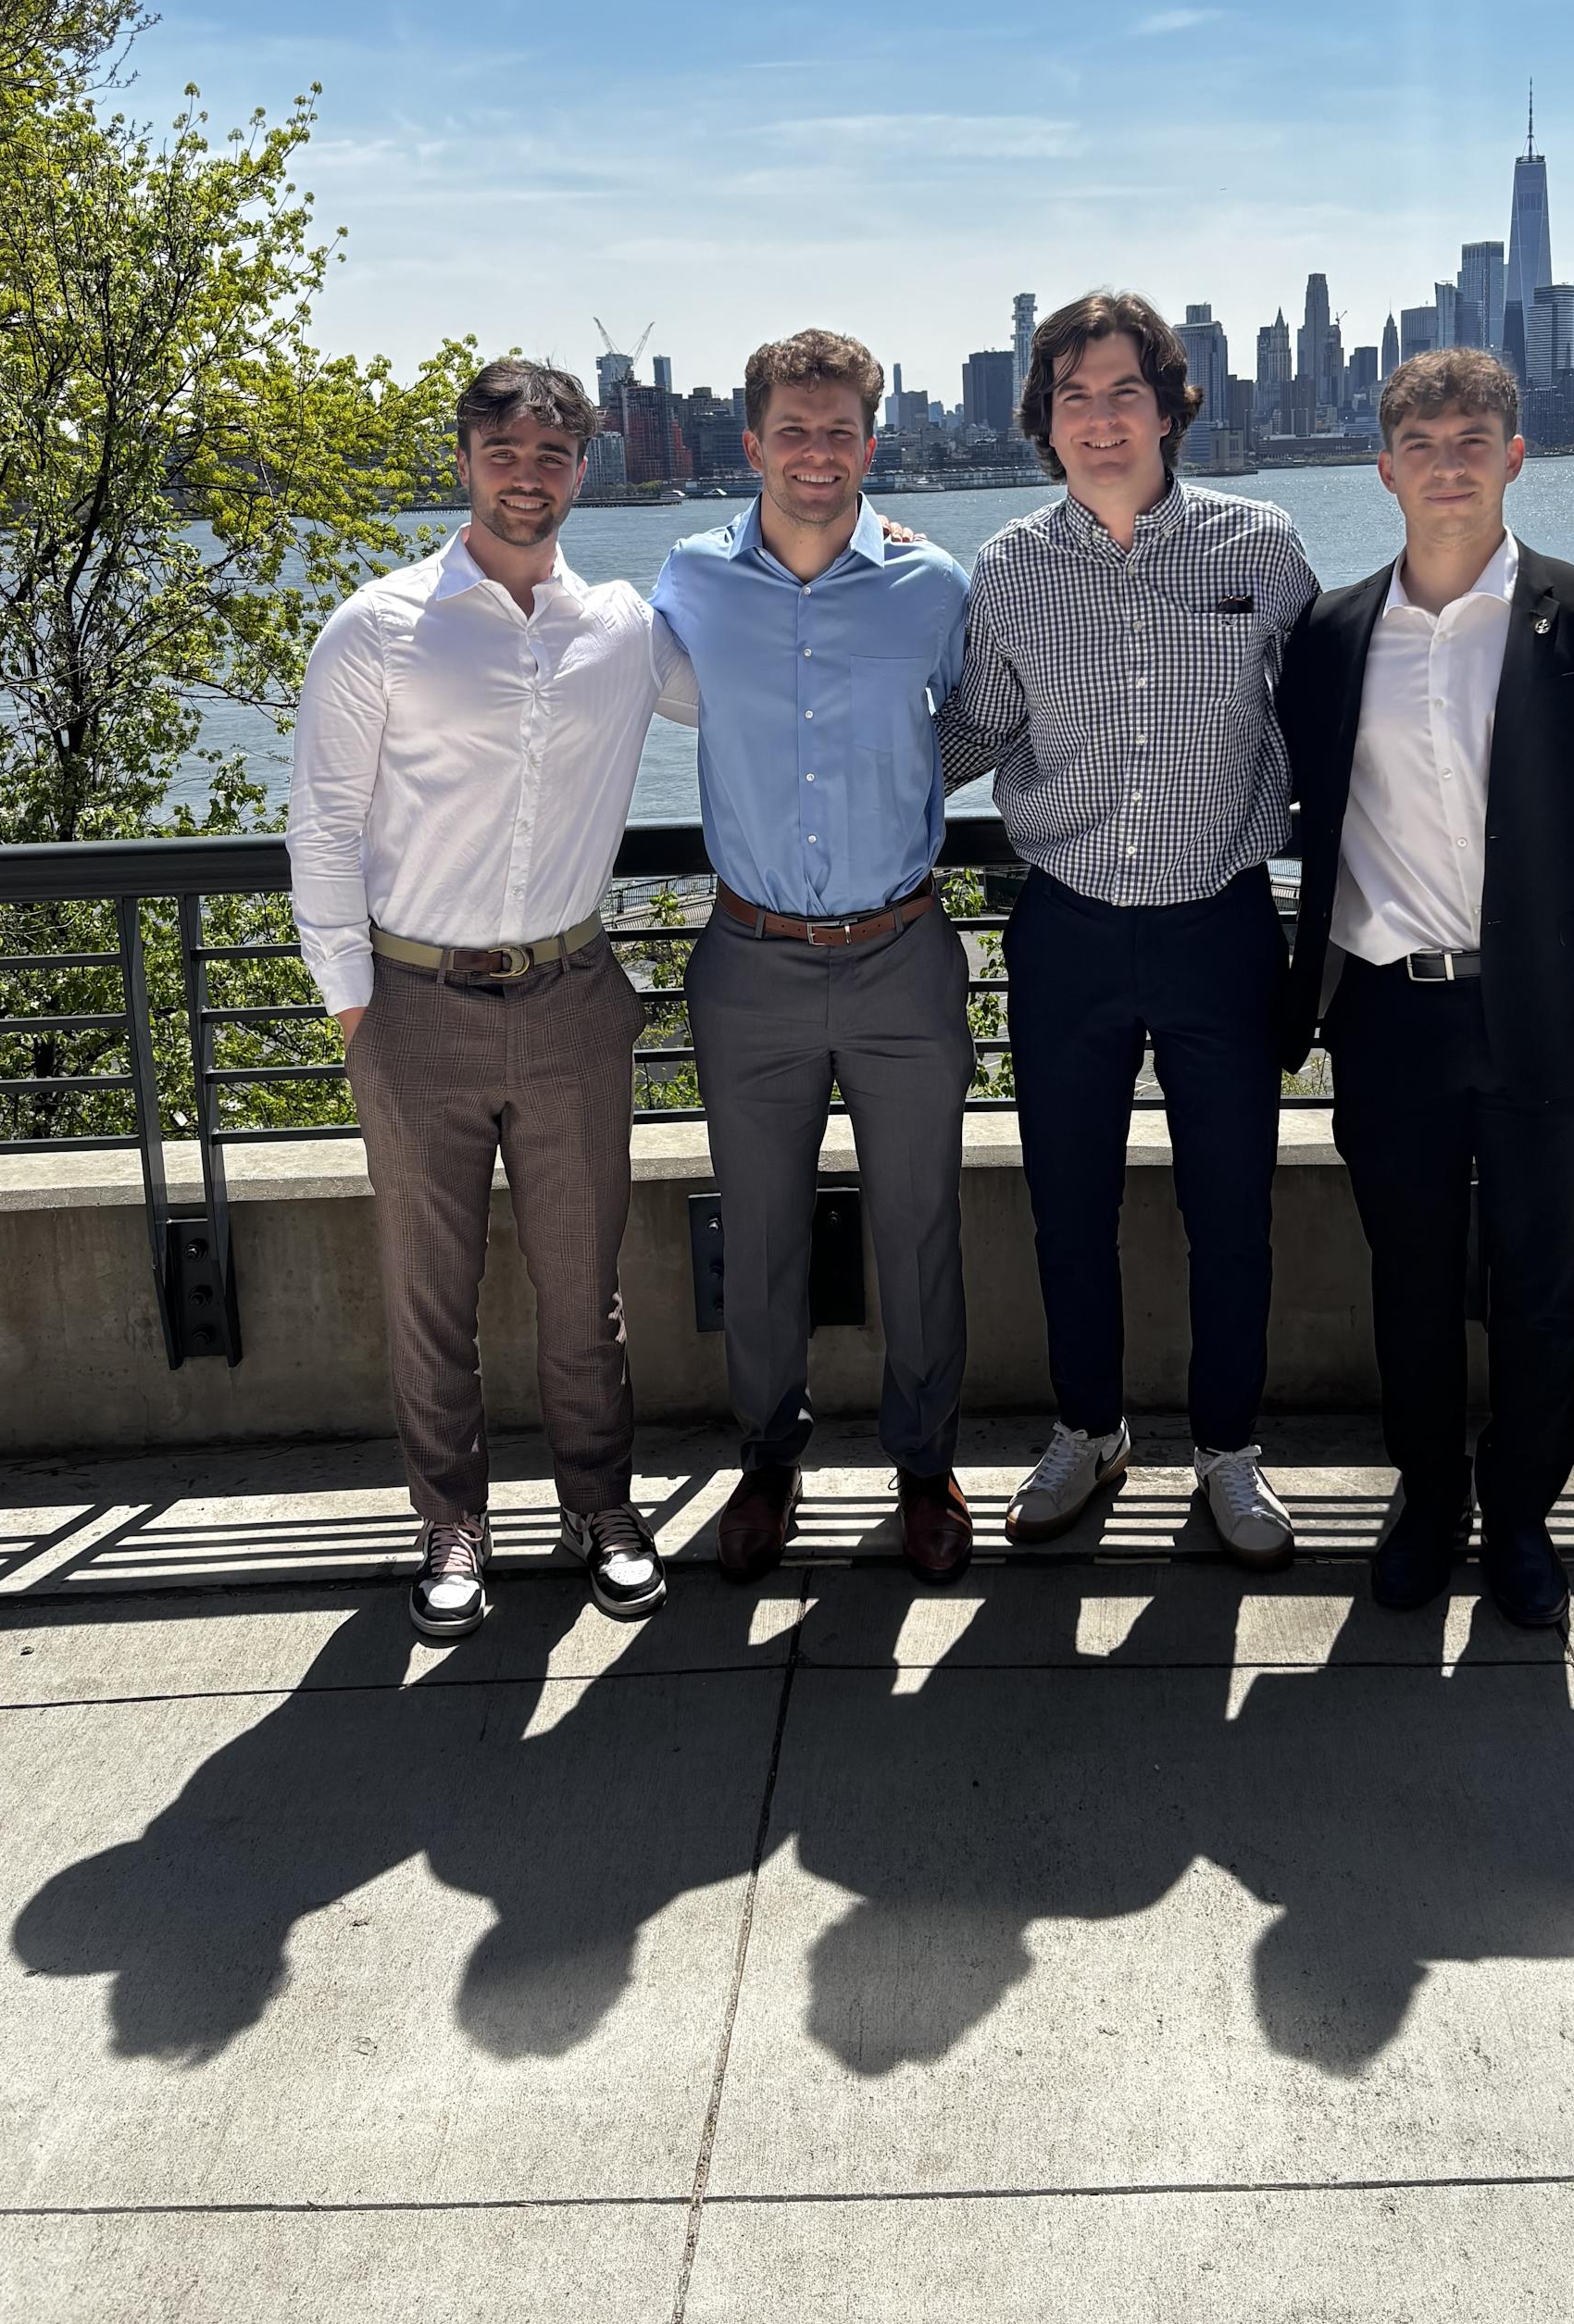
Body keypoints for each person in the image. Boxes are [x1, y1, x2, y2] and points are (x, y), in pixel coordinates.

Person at [287, 358, 695, 1643]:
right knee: (430, 1288)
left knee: (587, 1286)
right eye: (504, 451)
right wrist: (354, 1009)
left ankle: (600, 1509)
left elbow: (762, 671)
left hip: (575, 993)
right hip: (414, 1006)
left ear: (586, 469)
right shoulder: (378, 626)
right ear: (463, 460)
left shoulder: (625, 627)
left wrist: (869, 540)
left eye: (554, 455)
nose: (529, 474)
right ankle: (449, 1522)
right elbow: (323, 826)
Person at [1278, 346, 1574, 1631]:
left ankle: (1521, 1518)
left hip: (1548, 1019)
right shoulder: (1334, 634)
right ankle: (1424, 1501)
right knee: (1406, 1279)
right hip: (1388, 1009)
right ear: (1383, 467)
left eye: (1472, 442)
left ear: (1514, 458)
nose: (1446, 466)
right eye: (1422, 445)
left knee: (1538, 1283)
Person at [938, 292, 1318, 1568]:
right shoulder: (1005, 567)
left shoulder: (1259, 548)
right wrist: (815, 727)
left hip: (1221, 925)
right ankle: (1088, 1430)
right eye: (1072, 397)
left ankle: (1229, 1452)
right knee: (1066, 1206)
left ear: (1169, 406)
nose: (1099, 420)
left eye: (1122, 393)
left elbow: (1333, 718)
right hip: (1070, 934)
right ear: (1043, 421)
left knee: (1234, 1210)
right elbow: (975, 732)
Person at [654, 331, 978, 1584]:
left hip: (901, 948)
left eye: (840, 429)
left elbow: (968, 716)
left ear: (870, 442)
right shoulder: (685, 579)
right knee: (763, 1228)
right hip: (749, 955)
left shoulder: (931, 584)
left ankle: (924, 1464)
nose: (817, 451)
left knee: (920, 1226)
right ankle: (768, 1459)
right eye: (793, 429)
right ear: (752, 443)